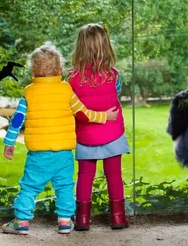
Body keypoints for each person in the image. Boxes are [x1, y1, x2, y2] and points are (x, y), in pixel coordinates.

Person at [2, 42, 118, 236]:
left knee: (29, 186)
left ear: (33, 71)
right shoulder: (66, 90)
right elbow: (83, 113)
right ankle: (65, 221)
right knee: (64, 186)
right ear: (60, 69)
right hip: (63, 153)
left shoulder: (29, 92)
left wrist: (9, 142)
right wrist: (105, 116)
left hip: (38, 154)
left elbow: (17, 120)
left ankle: (21, 222)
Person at [68, 23, 130, 231]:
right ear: (106, 46)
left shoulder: (71, 78)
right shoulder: (113, 75)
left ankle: (82, 219)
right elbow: (116, 93)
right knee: (114, 174)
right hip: (113, 132)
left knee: (85, 176)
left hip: (85, 135)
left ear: (80, 48)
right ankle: (118, 217)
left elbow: (71, 104)